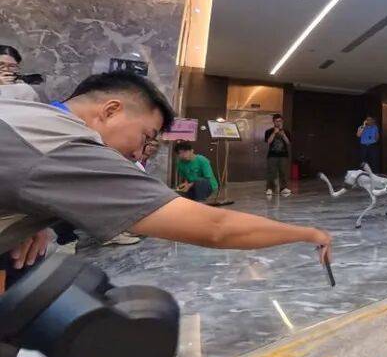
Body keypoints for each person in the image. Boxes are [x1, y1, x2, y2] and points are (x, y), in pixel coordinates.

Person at [0, 72, 331, 290]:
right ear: (111, 110)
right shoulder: (70, 148)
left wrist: (31, 217)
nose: (138, 153)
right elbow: (216, 227)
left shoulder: (21, 107)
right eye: (146, 136)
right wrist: (309, 233)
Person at [264, 114, 292, 196]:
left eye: (280, 121)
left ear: (282, 121)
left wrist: (283, 135)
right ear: (273, 122)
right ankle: (270, 188)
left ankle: (283, 188)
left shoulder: (286, 131)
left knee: (283, 172)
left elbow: (288, 142)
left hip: (283, 155)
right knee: (271, 173)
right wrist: (274, 133)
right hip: (272, 155)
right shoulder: (269, 131)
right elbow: (268, 142)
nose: (278, 123)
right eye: (276, 121)